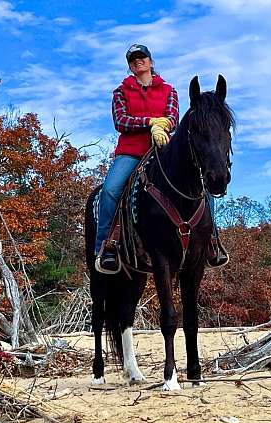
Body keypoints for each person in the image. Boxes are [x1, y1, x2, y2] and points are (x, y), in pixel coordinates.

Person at [95, 44, 228, 274]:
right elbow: (121, 121)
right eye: (133, 59)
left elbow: (173, 118)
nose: (138, 61)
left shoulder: (169, 90)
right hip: (131, 151)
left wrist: (163, 124)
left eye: (142, 57)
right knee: (110, 190)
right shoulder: (120, 92)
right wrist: (150, 122)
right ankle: (108, 245)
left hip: (165, 149)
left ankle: (212, 241)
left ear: (150, 61)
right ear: (130, 66)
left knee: (202, 187)